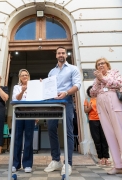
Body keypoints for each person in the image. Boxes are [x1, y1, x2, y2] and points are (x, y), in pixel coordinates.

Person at [44, 46, 81, 175]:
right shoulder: (51, 72)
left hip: (67, 101)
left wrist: (66, 92)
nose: (61, 54)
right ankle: (56, 160)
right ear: (56, 55)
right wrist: (42, 85)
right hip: (52, 103)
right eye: (59, 53)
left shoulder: (73, 69)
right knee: (51, 128)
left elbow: (77, 85)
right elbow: (48, 88)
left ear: (66, 54)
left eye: (63, 53)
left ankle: (68, 163)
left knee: (68, 131)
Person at [90, 58, 122, 174]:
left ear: (107, 65)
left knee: (120, 132)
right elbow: (92, 93)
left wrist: (103, 78)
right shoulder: (96, 79)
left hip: (114, 102)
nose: (100, 66)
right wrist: (98, 81)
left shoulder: (114, 72)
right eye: (98, 64)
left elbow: (119, 83)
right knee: (109, 134)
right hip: (101, 105)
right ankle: (118, 166)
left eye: (102, 63)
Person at [12, 69, 35, 173]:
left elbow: (36, 99)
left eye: (26, 75)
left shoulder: (34, 86)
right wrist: (22, 90)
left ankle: (27, 164)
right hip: (19, 113)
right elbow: (16, 99)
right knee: (17, 138)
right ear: (19, 77)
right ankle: (15, 164)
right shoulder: (16, 87)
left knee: (29, 138)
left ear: (29, 76)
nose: (24, 77)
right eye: (22, 75)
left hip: (30, 113)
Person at [84, 85, 110, 165]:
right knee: (97, 139)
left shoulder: (101, 98)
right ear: (89, 93)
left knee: (104, 139)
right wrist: (90, 107)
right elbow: (85, 111)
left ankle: (106, 158)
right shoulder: (87, 100)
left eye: (93, 91)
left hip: (103, 120)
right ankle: (100, 158)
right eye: (91, 91)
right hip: (93, 121)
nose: (92, 92)